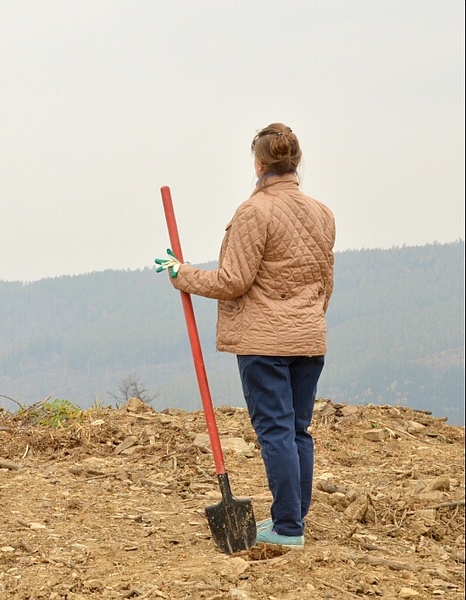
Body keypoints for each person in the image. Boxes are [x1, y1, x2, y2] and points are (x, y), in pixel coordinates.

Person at [157, 122, 335, 548]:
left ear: (258, 163)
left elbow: (233, 280)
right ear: (295, 161)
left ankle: (288, 527)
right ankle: (293, 519)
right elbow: (326, 281)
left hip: (264, 343)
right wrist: (307, 317)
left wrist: (183, 275)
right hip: (309, 338)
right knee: (297, 430)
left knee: (275, 430)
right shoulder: (323, 213)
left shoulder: (253, 212)